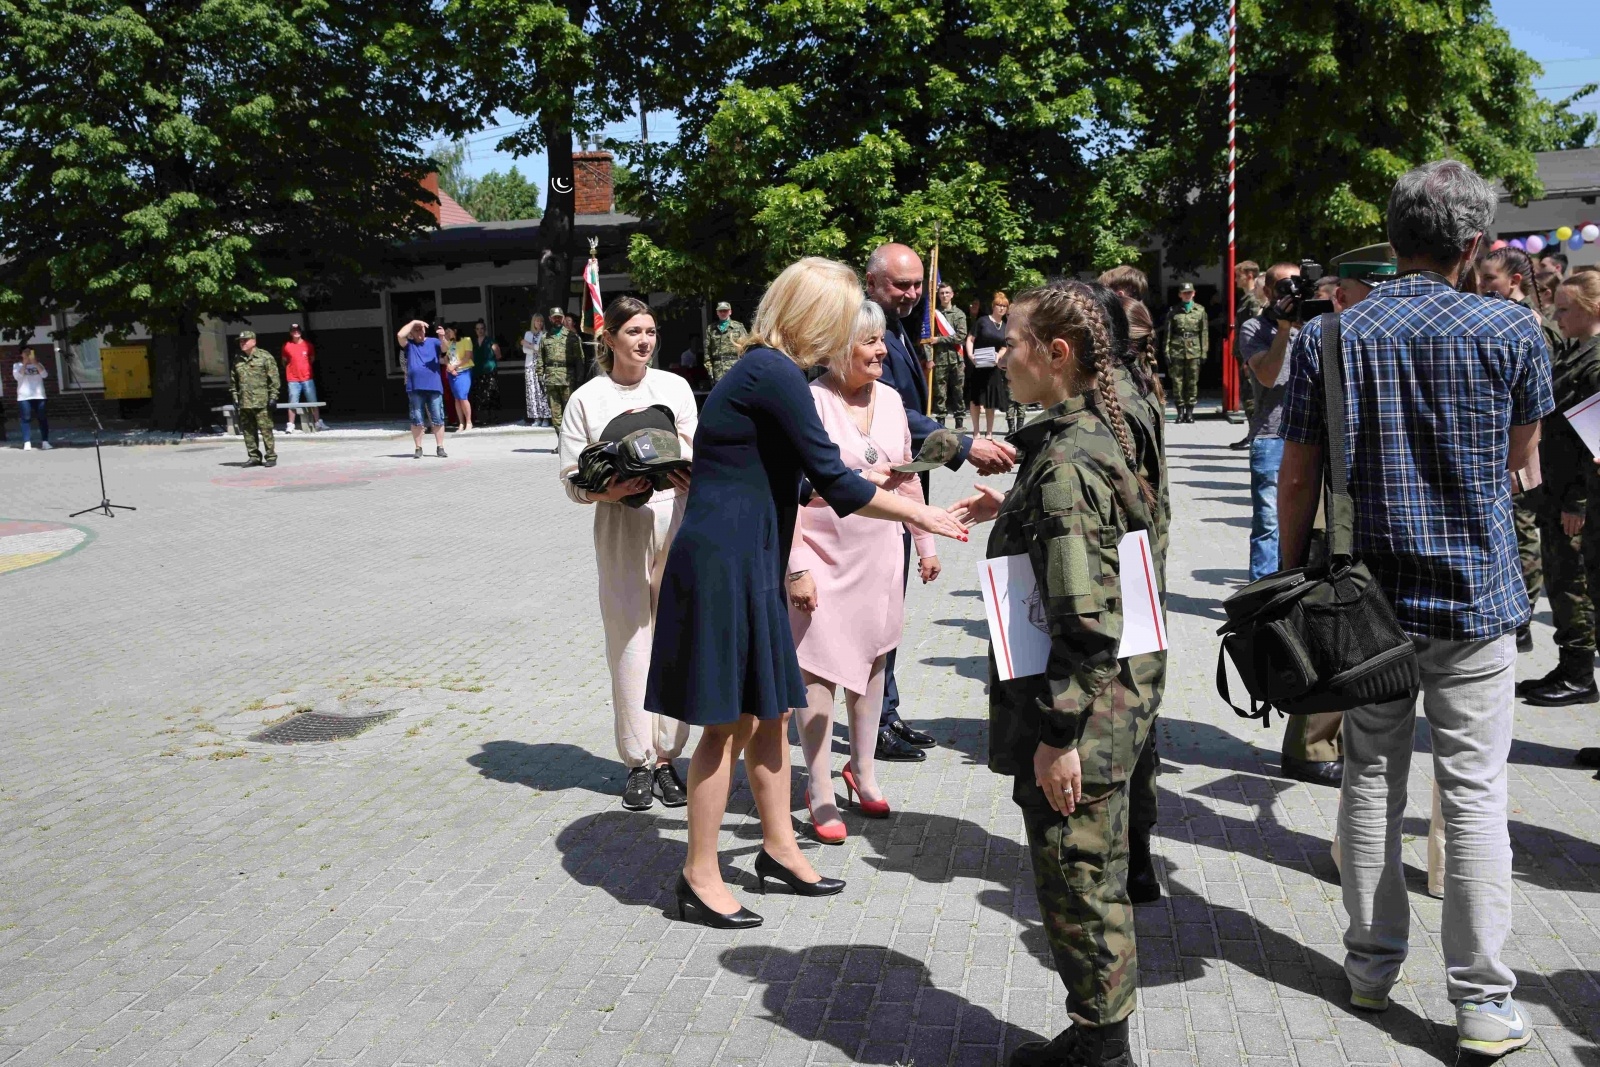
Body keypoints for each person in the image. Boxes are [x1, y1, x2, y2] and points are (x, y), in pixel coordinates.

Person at [1277, 160, 1552, 1058]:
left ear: (1392, 240)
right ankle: (1479, 1000)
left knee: (1370, 776)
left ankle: (1368, 964)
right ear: (1474, 246)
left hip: (1366, 599)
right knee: (1473, 795)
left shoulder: (1334, 336)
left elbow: (1300, 469)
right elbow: (1523, 461)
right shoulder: (1514, 327)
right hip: (1476, 594)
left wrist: (1288, 570)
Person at [645, 257, 967, 929]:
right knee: (727, 725)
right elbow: (836, 480)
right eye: (843, 318)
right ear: (815, 317)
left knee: (772, 712)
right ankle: (698, 876)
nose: (852, 332)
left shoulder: (770, 373)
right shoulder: (773, 372)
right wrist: (920, 513)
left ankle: (779, 849)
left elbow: (800, 478)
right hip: (726, 564)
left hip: (750, 554)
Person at [947, 282, 1157, 1067]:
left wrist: (1058, 734)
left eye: (1013, 340)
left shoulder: (1066, 463)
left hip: (1083, 713)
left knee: (1079, 883)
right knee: (1091, 873)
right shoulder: (1083, 435)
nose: (1001, 354)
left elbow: (1086, 619)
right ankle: (1097, 1034)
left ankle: (1103, 1052)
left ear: (1056, 354)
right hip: (1114, 701)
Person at [789, 299, 942, 843]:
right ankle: (820, 786)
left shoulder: (895, 400)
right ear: (836, 347)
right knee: (820, 671)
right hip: (823, 554)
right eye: (869, 341)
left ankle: (864, 769)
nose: (882, 350)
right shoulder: (808, 401)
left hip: (881, 549)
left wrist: (923, 542)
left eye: (882, 340)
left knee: (876, 663)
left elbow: (906, 476)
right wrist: (795, 567)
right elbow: (787, 493)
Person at [865, 244, 1017, 766]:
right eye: (900, 286)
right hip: (874, 495)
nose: (911, 295)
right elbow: (895, 416)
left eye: (916, 285)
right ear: (872, 282)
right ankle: (874, 725)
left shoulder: (902, 327)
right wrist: (964, 444)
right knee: (874, 615)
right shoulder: (866, 335)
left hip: (904, 489)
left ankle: (885, 715)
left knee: (889, 613)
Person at [559, 296, 698, 811]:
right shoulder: (587, 399)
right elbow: (573, 481)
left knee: (675, 636)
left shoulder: (675, 388)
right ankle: (638, 762)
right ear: (610, 337)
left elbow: (692, 448)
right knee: (629, 640)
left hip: (676, 519)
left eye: (651, 331)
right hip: (621, 523)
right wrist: (605, 490)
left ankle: (668, 759)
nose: (644, 341)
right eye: (634, 331)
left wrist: (686, 467)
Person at [1520, 270, 1600, 708]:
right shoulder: (1578, 353)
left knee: (1573, 583)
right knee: (1561, 575)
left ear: (1592, 309)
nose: (1558, 317)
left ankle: (1579, 672)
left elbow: (1597, 443)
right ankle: (1571, 665)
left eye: (1566, 310)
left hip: (1578, 495)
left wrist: (1578, 502)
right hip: (1558, 488)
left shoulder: (1596, 364)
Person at [1480, 246, 1557, 653]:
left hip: (1526, 450)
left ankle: (1522, 619)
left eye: (1490, 279)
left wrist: (1521, 466)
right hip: (1509, 447)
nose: (1481, 287)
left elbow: (1537, 405)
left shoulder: (1528, 325)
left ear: (1514, 281)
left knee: (1522, 532)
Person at [1238, 262, 1300, 579]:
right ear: (1267, 291)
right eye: (1283, 286)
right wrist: (1285, 328)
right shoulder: (1254, 329)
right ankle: (1260, 604)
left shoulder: (1317, 325)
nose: (1291, 291)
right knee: (1269, 524)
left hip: (1308, 439)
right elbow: (1268, 376)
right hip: (1271, 437)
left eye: (1297, 284)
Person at [398, 319, 448, 459]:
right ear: (411, 333)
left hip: (434, 386)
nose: (419, 332)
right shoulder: (410, 345)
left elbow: (445, 349)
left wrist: (442, 337)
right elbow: (400, 335)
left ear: (425, 330)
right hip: (415, 387)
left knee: (438, 417)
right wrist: (414, 322)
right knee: (417, 418)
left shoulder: (433, 342)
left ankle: (440, 447)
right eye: (416, 330)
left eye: (421, 329)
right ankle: (418, 448)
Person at [230, 331, 279, 468]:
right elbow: (234, 381)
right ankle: (254, 457)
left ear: (254, 341)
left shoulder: (265, 357)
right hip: (244, 402)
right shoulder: (237, 359)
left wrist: (273, 397)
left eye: (245, 340)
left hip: (261, 401)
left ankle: (270, 456)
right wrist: (235, 396)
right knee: (248, 431)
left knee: (266, 430)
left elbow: (274, 379)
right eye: (241, 341)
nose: (243, 343)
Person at [1229, 260, 1264, 448]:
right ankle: (1252, 433)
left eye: (1238, 275)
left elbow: (1254, 331)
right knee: (1247, 395)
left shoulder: (1253, 301)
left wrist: (1249, 358)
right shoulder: (1247, 299)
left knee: (1251, 396)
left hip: (1249, 356)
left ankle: (1256, 436)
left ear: (1249, 275)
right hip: (1244, 355)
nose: (1235, 280)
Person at [1163, 281, 1207, 422]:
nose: (1187, 295)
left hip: (1194, 350)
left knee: (1192, 382)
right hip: (1177, 349)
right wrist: (1166, 351)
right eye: (1184, 293)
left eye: (1189, 292)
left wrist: (1204, 352)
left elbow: (1204, 333)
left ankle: (1190, 412)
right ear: (1180, 295)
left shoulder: (1200, 311)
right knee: (1177, 382)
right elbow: (1168, 333)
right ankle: (1180, 411)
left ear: (1193, 293)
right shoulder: (1173, 311)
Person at [967, 292, 1010, 438]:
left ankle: (989, 432)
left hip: (993, 367)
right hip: (978, 365)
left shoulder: (1005, 326)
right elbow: (970, 339)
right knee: (976, 399)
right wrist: (970, 355)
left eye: (1004, 306)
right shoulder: (983, 321)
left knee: (991, 400)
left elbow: (1004, 346)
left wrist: (999, 355)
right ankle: (976, 430)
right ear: (993, 306)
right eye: (999, 305)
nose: (1001, 308)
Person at [931, 282, 968, 429]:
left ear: (952, 295)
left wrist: (939, 339)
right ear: (938, 295)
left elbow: (961, 337)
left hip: (956, 360)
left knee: (958, 393)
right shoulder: (933, 315)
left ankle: (959, 426)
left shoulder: (959, 314)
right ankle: (941, 427)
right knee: (940, 394)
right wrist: (929, 359)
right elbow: (928, 338)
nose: (945, 295)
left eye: (947, 292)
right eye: (942, 293)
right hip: (939, 360)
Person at [540, 307, 583, 430]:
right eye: (555, 317)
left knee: (570, 412)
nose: (557, 320)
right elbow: (540, 358)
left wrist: (579, 378)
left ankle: (570, 441)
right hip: (551, 379)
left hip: (567, 379)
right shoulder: (545, 338)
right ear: (550, 319)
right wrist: (539, 374)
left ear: (563, 318)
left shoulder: (572, 337)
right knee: (555, 414)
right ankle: (560, 442)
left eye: (559, 317)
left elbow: (579, 360)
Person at [279, 324, 325, 433]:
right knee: (292, 402)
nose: (296, 332)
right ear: (290, 333)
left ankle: (318, 422)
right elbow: (284, 361)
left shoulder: (308, 345)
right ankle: (290, 425)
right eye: (293, 331)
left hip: (307, 378)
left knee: (313, 401)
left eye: (298, 330)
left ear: (300, 332)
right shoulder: (287, 346)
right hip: (293, 379)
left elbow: (312, 359)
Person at [12, 347, 51, 451]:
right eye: (26, 352)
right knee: (26, 419)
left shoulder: (39, 364)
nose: (28, 354)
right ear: (22, 354)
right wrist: (25, 363)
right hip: (24, 397)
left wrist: (35, 363)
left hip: (39, 395)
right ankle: (27, 442)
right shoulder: (17, 365)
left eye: (30, 352)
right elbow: (18, 377)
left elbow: (44, 375)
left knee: (42, 419)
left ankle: (45, 442)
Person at [704, 301, 748, 383]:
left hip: (734, 367)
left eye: (725, 311)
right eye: (720, 311)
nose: (723, 313)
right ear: (717, 313)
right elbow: (707, 352)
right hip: (718, 370)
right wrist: (710, 370)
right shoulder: (711, 329)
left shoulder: (738, 327)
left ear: (730, 312)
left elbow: (746, 348)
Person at [522, 313, 552, 427]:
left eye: (541, 321)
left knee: (542, 391)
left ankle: (546, 418)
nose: (539, 323)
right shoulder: (528, 334)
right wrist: (534, 347)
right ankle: (536, 418)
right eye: (537, 321)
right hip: (530, 366)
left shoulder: (545, 334)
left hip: (541, 366)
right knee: (532, 392)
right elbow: (525, 350)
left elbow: (542, 350)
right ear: (533, 322)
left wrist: (529, 345)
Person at [443, 324, 474, 432]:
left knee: (463, 396)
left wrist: (454, 366)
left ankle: (469, 422)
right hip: (452, 373)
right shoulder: (451, 343)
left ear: (455, 330)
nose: (447, 334)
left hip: (463, 371)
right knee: (457, 398)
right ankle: (461, 423)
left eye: (449, 331)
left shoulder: (466, 340)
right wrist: (449, 367)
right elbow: (446, 357)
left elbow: (467, 357)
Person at [472, 318, 501, 423]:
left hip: (490, 372)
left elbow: (498, 355)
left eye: (482, 328)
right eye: (478, 329)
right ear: (475, 330)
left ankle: (493, 417)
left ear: (485, 329)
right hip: (477, 372)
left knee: (491, 394)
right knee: (479, 395)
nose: (480, 331)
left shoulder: (491, 341)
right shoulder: (473, 343)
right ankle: (483, 418)